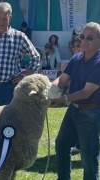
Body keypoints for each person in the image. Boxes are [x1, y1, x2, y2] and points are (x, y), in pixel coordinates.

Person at [51, 22, 100, 180]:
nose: (84, 41)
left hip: (91, 113)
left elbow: (86, 92)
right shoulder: (77, 57)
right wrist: (50, 90)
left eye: (89, 38)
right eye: (82, 37)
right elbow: (62, 79)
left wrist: (63, 98)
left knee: (88, 157)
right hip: (74, 110)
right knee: (62, 144)